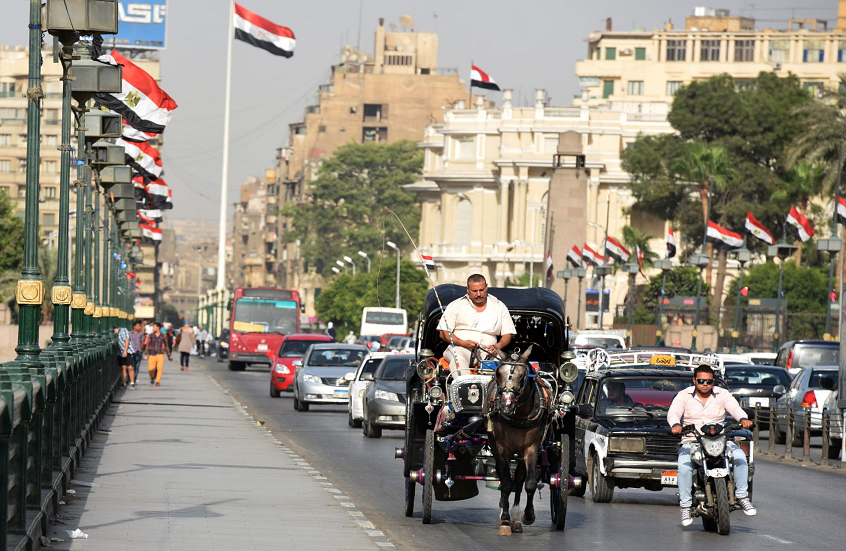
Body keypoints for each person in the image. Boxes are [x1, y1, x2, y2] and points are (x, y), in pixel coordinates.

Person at [668, 365, 756, 527]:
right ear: (694, 380)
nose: (705, 384)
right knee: (684, 467)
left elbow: (735, 408)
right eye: (701, 381)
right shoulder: (683, 396)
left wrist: (743, 419)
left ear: (713, 381)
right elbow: (674, 413)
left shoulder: (722, 394)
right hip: (692, 441)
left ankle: (742, 497)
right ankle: (686, 506)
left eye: (708, 381)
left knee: (740, 457)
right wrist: (675, 424)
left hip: (720, 440)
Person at [437, 274, 516, 375]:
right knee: (458, 360)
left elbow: (507, 333)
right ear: (468, 289)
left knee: (503, 368)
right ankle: (464, 388)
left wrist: (497, 346)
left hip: (489, 352)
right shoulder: (456, 305)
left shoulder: (499, 306)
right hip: (461, 349)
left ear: (486, 287)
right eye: (474, 291)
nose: (478, 294)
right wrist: (462, 343)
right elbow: (444, 332)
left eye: (481, 290)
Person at [143, 322, 172, 386]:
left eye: (154, 327)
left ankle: (157, 381)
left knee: (159, 368)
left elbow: (167, 346)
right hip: (152, 354)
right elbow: (148, 345)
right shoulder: (151, 335)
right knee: (150, 368)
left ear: (158, 327)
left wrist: (169, 356)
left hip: (160, 354)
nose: (153, 328)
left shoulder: (163, 335)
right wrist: (145, 353)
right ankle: (152, 377)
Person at [118, 323, 135, 389]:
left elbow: (127, 340)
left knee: (130, 367)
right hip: (120, 352)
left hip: (128, 351)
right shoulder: (114, 333)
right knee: (123, 367)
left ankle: (132, 383)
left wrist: (125, 351)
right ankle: (123, 383)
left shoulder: (123, 330)